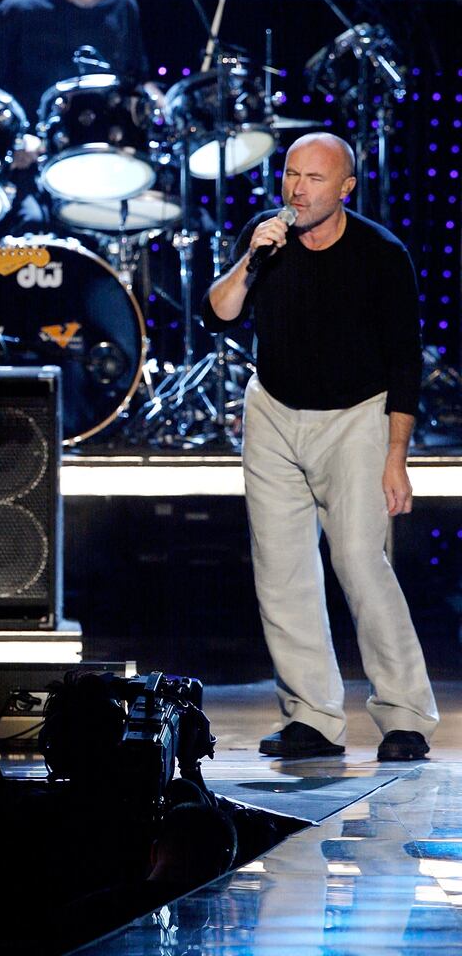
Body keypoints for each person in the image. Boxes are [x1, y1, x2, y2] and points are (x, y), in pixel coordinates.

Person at [201, 132, 439, 762]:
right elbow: (220, 312)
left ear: (345, 189)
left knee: (360, 561)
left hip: (356, 416)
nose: (298, 189)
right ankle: (311, 717)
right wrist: (252, 259)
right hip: (274, 410)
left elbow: (405, 362)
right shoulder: (267, 240)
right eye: (291, 175)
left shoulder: (381, 255)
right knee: (281, 571)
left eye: (314, 179)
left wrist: (396, 457)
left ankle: (405, 714)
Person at [0, 0, 155, 235]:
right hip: (31, 169)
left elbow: (136, 81)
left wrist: (159, 101)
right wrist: (13, 142)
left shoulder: (123, 6)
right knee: (30, 225)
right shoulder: (18, 11)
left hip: (104, 166)